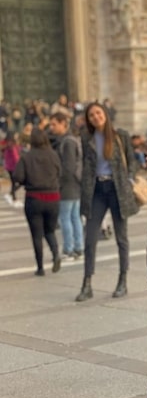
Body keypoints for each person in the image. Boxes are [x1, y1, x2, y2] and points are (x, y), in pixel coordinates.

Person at [75, 101, 139, 302]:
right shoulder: (87, 137)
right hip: (97, 191)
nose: (95, 117)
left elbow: (132, 161)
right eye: (91, 115)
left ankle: (122, 280)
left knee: (121, 238)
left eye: (98, 113)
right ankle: (87, 283)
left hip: (117, 189)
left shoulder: (120, 135)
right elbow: (84, 164)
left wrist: (128, 180)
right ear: (88, 120)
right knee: (90, 238)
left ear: (105, 114)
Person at [13, 127, 61, 276]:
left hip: (34, 198)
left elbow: (18, 177)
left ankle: (40, 267)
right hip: (53, 197)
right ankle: (55, 254)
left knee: (36, 234)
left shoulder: (26, 157)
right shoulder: (53, 155)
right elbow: (61, 172)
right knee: (50, 231)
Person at [49, 112, 84, 260]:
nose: (52, 127)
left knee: (66, 218)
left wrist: (59, 182)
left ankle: (69, 249)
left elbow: (68, 167)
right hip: (74, 184)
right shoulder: (70, 139)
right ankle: (78, 247)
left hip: (68, 185)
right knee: (74, 217)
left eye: (54, 124)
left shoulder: (67, 141)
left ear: (63, 123)